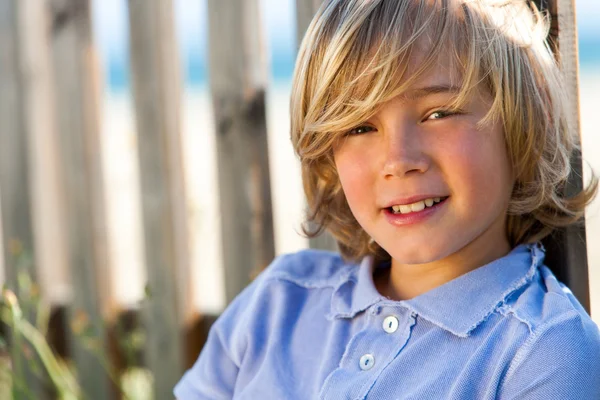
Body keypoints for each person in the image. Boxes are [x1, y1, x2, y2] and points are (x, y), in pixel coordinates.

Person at [174, 0, 600, 398]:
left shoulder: (544, 353)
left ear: (521, 117)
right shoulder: (279, 302)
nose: (398, 161)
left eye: (438, 113)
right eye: (360, 127)